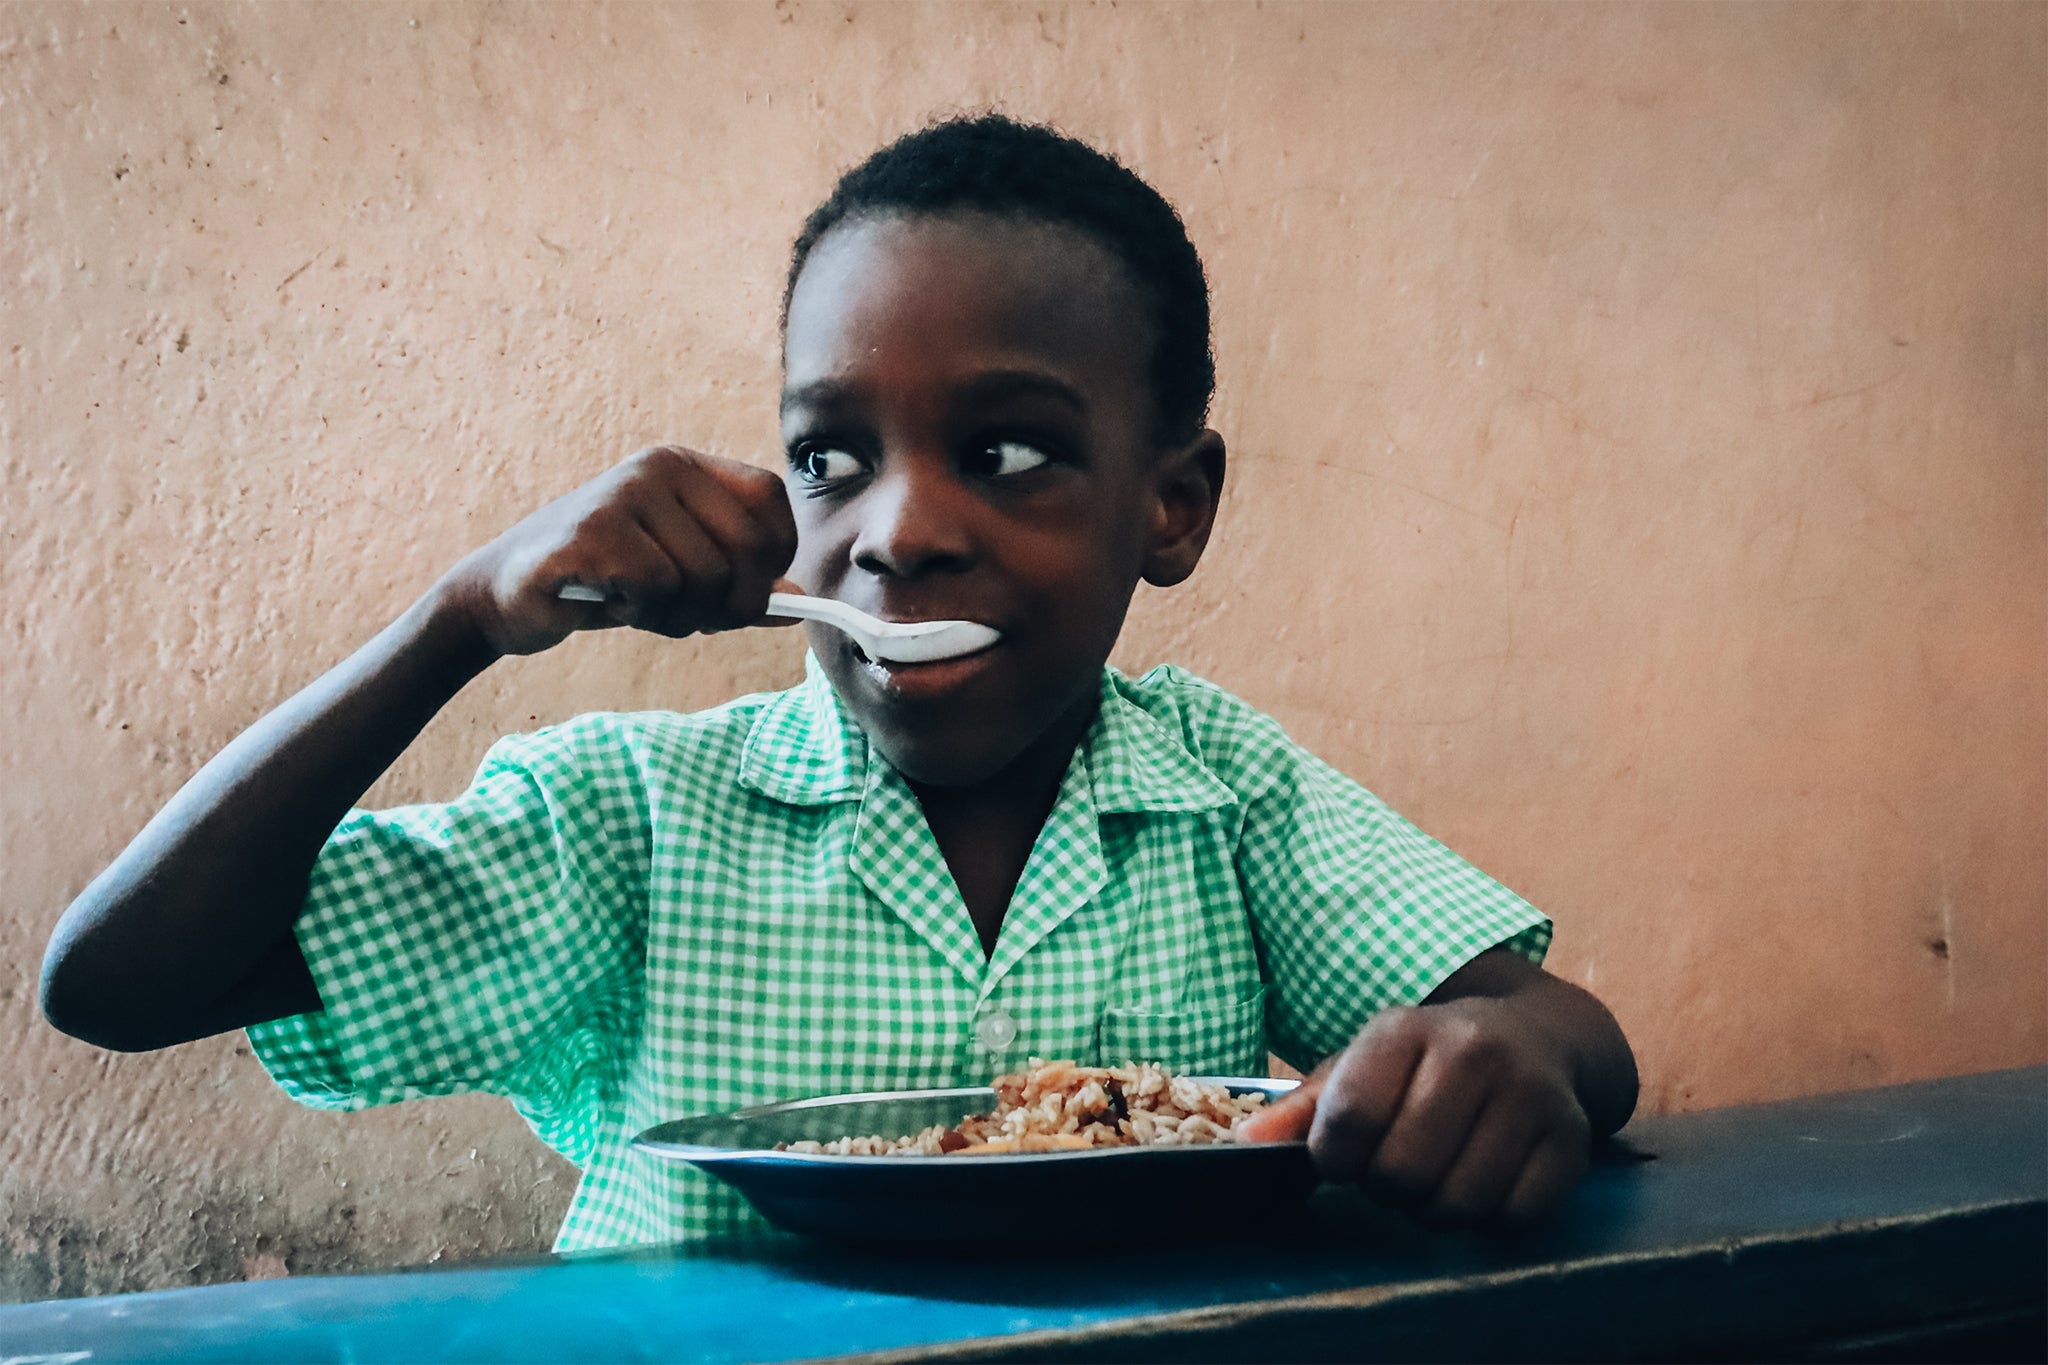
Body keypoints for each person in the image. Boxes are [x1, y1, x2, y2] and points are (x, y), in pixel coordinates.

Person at [40, 115, 1636, 1250]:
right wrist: (459, 619)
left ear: (1173, 505)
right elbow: (122, 985)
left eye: (1009, 453)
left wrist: (1517, 1062)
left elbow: (1555, 1024)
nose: (901, 532)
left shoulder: (1226, 794)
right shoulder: (632, 824)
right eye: (831, 456)